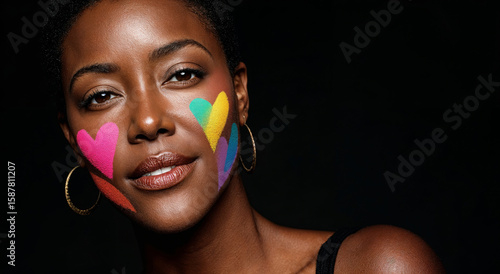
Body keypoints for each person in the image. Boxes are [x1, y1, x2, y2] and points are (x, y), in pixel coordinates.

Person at [43, 0, 445, 272]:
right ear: (71, 137)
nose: (148, 122)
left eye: (182, 74)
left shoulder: (378, 266)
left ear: (239, 94)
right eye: (101, 96)